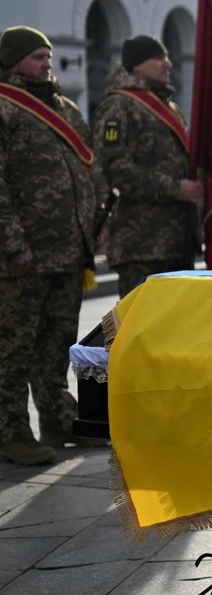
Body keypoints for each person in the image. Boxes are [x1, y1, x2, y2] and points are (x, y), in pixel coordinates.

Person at [0, 26, 104, 465]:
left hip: (67, 249)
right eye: (36, 56)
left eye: (48, 54)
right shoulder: (6, 108)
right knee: (14, 345)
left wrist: (96, 225)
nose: (46, 62)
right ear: (13, 61)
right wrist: (11, 243)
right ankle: (10, 431)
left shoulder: (64, 107)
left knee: (55, 342)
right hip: (24, 254)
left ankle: (59, 418)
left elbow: (88, 170)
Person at [92, 35, 200, 297]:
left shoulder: (169, 107)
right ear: (136, 65)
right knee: (140, 328)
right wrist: (175, 188)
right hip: (141, 244)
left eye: (166, 56)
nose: (168, 64)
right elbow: (114, 169)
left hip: (176, 240)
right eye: (158, 58)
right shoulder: (119, 106)